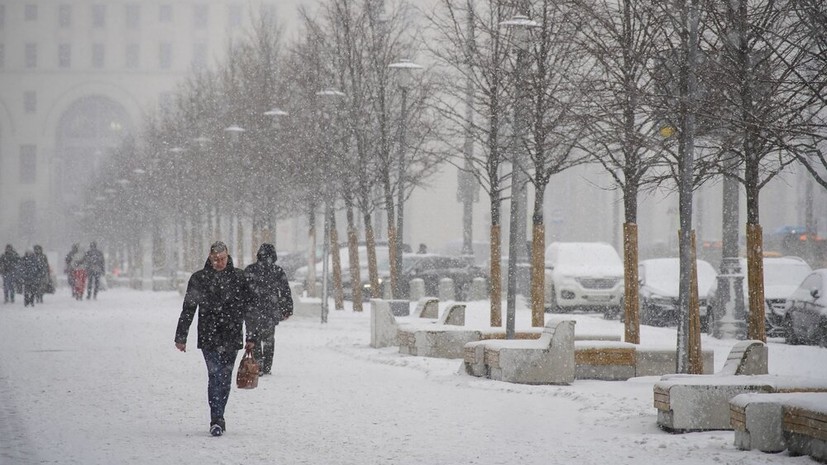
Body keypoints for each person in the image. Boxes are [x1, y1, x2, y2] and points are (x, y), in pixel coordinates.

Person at [174, 241, 256, 437]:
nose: (219, 263)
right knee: (215, 376)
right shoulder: (199, 279)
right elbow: (189, 309)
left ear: (228, 257)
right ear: (209, 258)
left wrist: (252, 335)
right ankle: (216, 418)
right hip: (209, 335)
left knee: (225, 378)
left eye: (222, 259)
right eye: (215, 259)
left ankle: (220, 414)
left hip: (231, 334)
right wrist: (181, 336)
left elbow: (249, 308)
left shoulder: (239, 278)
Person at [245, 243, 293, 376]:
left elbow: (243, 291)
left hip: (252, 310)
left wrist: (242, 307)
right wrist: (287, 309)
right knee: (268, 339)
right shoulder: (277, 271)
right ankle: (266, 366)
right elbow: (285, 292)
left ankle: (257, 364)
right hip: (269, 310)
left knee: (253, 338)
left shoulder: (250, 270)